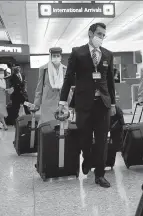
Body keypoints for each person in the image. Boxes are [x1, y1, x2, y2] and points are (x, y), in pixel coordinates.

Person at [57, 22, 116, 188]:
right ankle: (87, 157)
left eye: (104, 35)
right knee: (85, 138)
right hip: (84, 102)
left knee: (102, 140)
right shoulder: (78, 52)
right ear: (90, 33)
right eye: (99, 33)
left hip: (103, 104)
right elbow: (69, 78)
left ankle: (100, 175)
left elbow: (110, 81)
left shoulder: (108, 54)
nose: (101, 37)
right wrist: (63, 101)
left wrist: (113, 103)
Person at [33, 47, 67, 125]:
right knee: (48, 126)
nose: (56, 58)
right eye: (54, 56)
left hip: (61, 102)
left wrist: (72, 103)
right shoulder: (44, 69)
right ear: (50, 56)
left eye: (58, 56)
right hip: (48, 102)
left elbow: (67, 87)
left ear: (61, 57)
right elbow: (39, 88)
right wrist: (36, 104)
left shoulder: (65, 69)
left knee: (61, 127)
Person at [0, 64, 14, 130]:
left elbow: (3, 89)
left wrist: (8, 90)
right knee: (1, 112)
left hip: (3, 98)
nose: (2, 74)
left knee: (0, 112)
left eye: (3, 73)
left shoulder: (3, 81)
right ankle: (4, 125)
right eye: (0, 73)